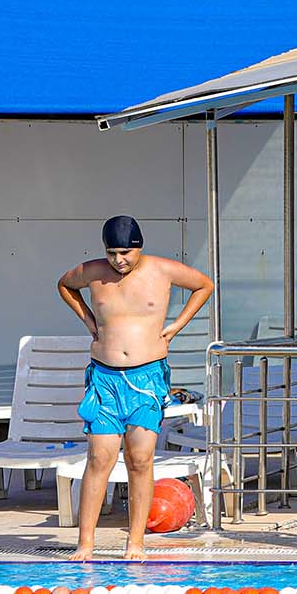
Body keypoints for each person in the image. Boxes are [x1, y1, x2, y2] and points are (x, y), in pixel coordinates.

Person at [57, 217, 214, 561]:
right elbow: (65, 285)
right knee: (99, 458)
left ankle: (136, 543)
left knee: (140, 460)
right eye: (112, 253)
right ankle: (85, 544)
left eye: (125, 253)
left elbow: (204, 285)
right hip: (105, 379)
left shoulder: (162, 269)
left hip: (146, 379)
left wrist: (175, 327)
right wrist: (87, 319)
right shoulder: (92, 271)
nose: (119, 260)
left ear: (139, 247)